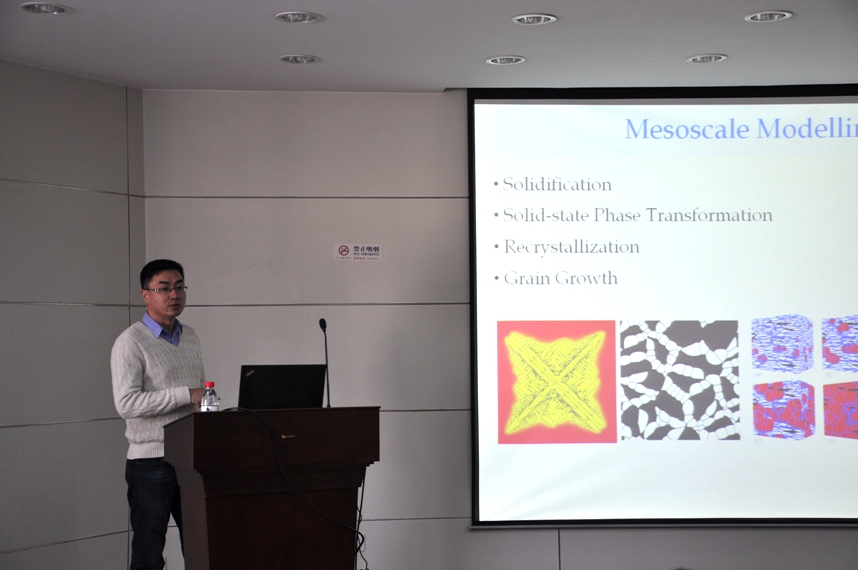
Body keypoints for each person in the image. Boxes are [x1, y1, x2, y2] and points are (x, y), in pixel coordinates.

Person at [111, 259, 206, 570]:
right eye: (163, 288)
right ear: (145, 295)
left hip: (191, 458)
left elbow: (198, 393)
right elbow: (127, 404)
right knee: (149, 553)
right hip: (150, 462)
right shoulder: (130, 342)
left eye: (179, 287)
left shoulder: (190, 335)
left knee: (202, 546)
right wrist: (185, 394)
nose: (174, 294)